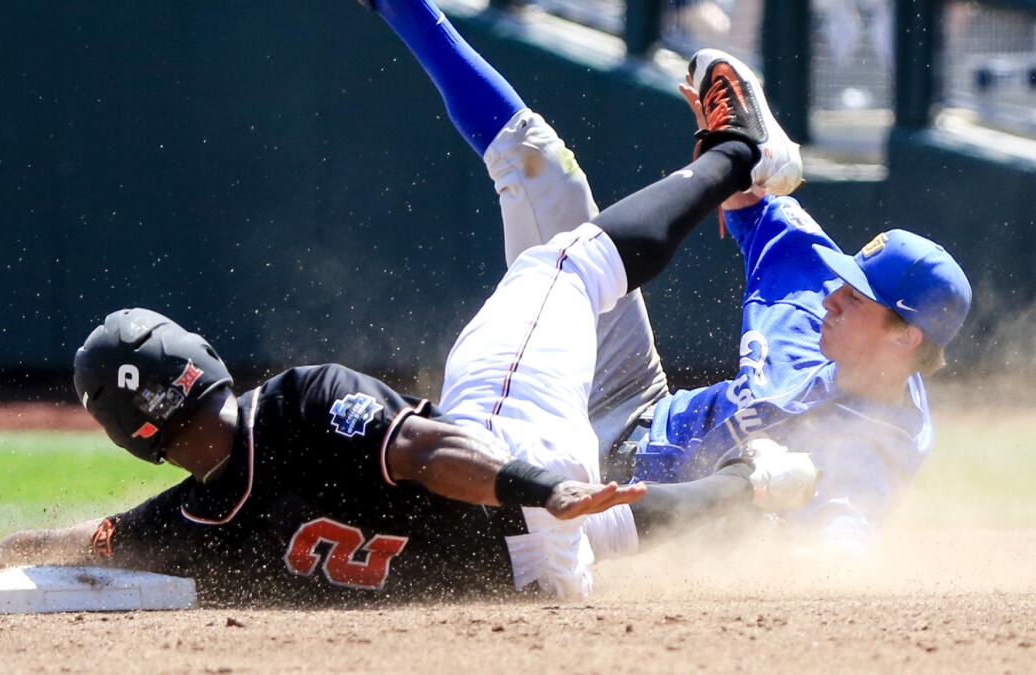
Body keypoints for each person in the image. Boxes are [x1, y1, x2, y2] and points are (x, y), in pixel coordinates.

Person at [0, 3, 822, 602]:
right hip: (521, 469)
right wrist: (539, 482)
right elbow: (427, 453)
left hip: (525, 579)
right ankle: (741, 149)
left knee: (598, 518)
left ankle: (755, 487)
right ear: (200, 360)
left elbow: (73, 545)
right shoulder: (296, 404)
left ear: (136, 442)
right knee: (565, 266)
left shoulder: (185, 533)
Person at [361, 0, 970, 553]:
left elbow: (838, 554)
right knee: (544, 166)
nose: (834, 296)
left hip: (611, 501)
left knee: (459, 508)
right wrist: (732, 157)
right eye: (843, 280)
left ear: (905, 336)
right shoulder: (815, 292)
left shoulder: (873, 449)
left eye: (859, 297)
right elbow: (752, 195)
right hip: (633, 393)